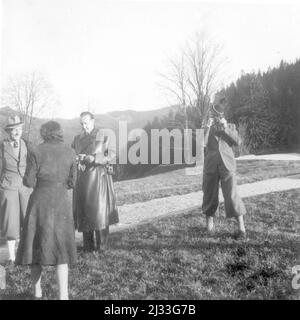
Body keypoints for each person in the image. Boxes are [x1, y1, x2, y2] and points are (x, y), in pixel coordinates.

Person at [15, 121, 77, 300]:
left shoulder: (35, 150)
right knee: (62, 251)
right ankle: (63, 296)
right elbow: (73, 182)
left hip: (39, 203)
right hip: (61, 203)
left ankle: (37, 293)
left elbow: (29, 182)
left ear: (44, 133)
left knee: (36, 248)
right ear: (59, 133)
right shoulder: (71, 152)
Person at [72, 111, 119, 252]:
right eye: (81, 123)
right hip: (82, 179)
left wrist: (95, 159)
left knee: (99, 212)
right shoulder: (76, 139)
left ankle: (102, 246)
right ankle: (88, 246)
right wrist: (77, 160)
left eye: (86, 123)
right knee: (85, 212)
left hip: (98, 177)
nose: (84, 126)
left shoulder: (103, 135)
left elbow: (111, 154)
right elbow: (73, 154)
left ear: (93, 121)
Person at [202, 95, 247, 240]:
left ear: (223, 114)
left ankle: (241, 229)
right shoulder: (206, 127)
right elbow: (200, 144)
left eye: (218, 113)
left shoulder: (230, 126)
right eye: (214, 113)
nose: (215, 116)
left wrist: (225, 126)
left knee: (232, 194)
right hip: (211, 165)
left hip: (227, 165)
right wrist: (207, 128)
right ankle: (209, 227)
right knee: (209, 194)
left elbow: (238, 142)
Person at [0, 116, 32, 265]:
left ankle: (26, 255)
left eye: (19, 129)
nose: (17, 132)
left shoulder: (27, 144)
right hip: (8, 187)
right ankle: (12, 257)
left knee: (28, 220)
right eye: (14, 130)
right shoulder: (2, 146)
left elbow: (33, 165)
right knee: (10, 223)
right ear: (9, 132)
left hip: (25, 188)